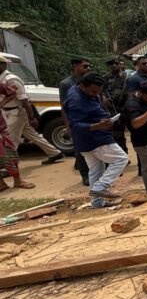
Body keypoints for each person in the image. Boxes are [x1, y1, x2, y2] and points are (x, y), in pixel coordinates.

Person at [64, 73, 129, 208]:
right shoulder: (76, 101)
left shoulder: (76, 88)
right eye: (93, 91)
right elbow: (75, 126)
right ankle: (100, 187)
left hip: (86, 141)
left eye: (99, 91)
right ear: (83, 86)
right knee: (121, 159)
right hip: (95, 138)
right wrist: (97, 126)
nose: (96, 94)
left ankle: (97, 202)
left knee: (96, 170)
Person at [0, 55, 64, 165]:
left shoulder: (11, 79)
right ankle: (55, 153)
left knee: (11, 140)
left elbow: (24, 100)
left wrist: (31, 117)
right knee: (32, 135)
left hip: (16, 112)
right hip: (8, 111)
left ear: (3, 65)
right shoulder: (2, 78)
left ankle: (9, 166)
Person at [59, 57, 92, 185]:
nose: (88, 68)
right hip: (77, 120)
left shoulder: (89, 81)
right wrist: (67, 125)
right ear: (75, 67)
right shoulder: (66, 84)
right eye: (85, 66)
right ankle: (85, 175)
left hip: (90, 118)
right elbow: (64, 106)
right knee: (80, 148)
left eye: (89, 66)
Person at [0, 82, 34, 192]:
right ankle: (1, 183)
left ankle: (18, 180)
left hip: (1, 129)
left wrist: (1, 103)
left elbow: (11, 92)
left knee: (10, 152)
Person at [104, 57, 128, 154]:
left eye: (116, 63)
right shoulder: (106, 77)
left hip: (127, 107)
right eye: (112, 64)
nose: (114, 65)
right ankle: (124, 154)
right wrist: (104, 97)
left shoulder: (126, 76)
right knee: (118, 134)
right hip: (114, 108)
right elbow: (101, 90)